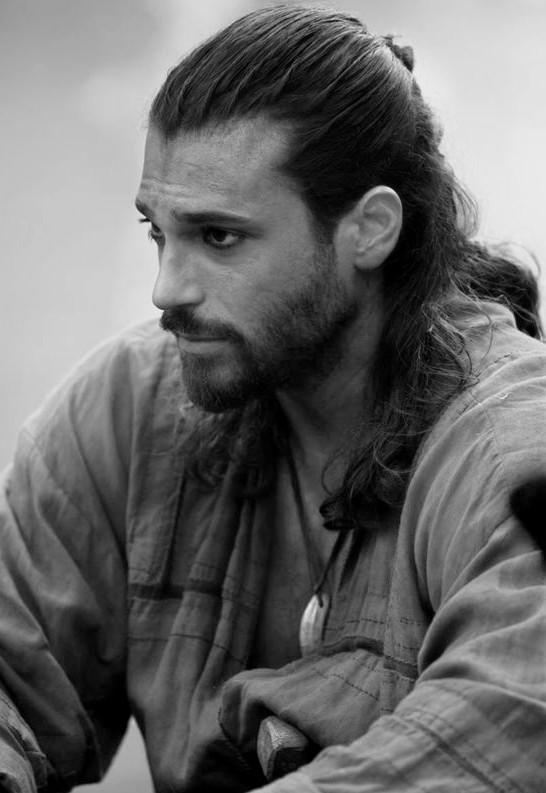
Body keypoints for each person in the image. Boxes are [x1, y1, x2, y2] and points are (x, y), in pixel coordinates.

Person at [1, 5, 545, 792]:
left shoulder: (506, 447)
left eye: (219, 237)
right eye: (159, 232)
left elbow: (505, 732)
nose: (167, 290)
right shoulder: (134, 404)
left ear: (369, 230)